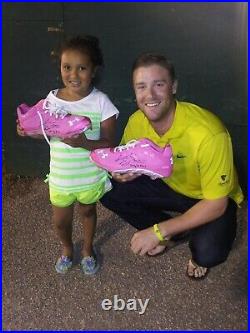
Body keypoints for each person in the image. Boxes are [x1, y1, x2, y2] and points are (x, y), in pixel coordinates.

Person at [100, 53, 244, 279]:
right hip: (168, 185)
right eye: (141, 87)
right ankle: (175, 232)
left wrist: (158, 231)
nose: (150, 95)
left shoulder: (209, 133)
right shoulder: (137, 121)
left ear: (173, 86)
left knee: (208, 253)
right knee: (105, 187)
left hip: (207, 197)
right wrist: (121, 174)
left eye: (159, 84)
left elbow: (217, 203)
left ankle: (172, 232)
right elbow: (124, 162)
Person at [17, 35, 119, 275]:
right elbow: (42, 131)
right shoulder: (51, 101)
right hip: (61, 177)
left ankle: (87, 249)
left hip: (89, 176)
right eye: (67, 67)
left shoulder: (101, 102)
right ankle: (66, 248)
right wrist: (26, 131)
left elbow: (109, 143)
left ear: (94, 70)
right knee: (61, 221)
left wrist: (84, 143)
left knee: (87, 212)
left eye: (82, 68)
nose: (73, 75)